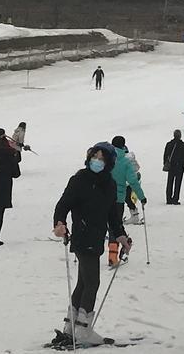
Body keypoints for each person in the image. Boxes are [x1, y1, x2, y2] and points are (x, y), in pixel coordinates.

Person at [52, 142, 129, 347]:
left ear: (109, 163)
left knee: (84, 282)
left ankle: (72, 326)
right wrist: (59, 223)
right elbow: (63, 205)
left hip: (96, 238)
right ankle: (83, 329)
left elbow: (113, 215)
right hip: (82, 236)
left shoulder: (110, 184)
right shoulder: (79, 179)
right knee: (92, 282)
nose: (97, 161)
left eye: (102, 158)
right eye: (95, 157)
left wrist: (121, 235)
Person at [108, 136, 144, 265]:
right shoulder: (125, 162)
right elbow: (133, 181)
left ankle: (114, 254)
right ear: (123, 146)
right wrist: (141, 197)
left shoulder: (106, 159)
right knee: (115, 225)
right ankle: (116, 252)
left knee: (111, 227)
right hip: (118, 199)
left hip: (104, 198)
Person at [164, 130, 184, 205]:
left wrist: (165, 163)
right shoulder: (183, 145)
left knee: (170, 182)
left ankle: (168, 199)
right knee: (178, 184)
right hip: (179, 167)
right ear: (180, 136)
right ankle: (175, 199)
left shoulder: (169, 144)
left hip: (171, 166)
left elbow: (165, 155)